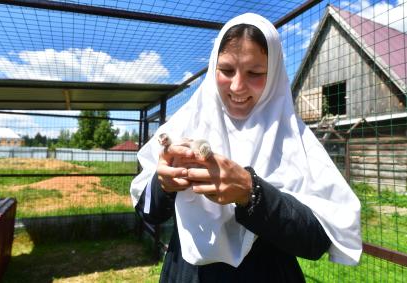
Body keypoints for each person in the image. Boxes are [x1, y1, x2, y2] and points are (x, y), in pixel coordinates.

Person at [130, 13, 362, 282]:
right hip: (187, 273)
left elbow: (316, 242)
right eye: (227, 70)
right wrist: (164, 185)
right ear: (213, 67)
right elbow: (148, 212)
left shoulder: (294, 139)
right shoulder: (183, 125)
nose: (238, 86)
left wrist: (252, 193)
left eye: (255, 73)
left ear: (274, 73)